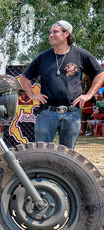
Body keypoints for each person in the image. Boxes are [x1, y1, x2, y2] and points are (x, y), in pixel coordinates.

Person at [20, 20, 104, 149]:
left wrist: (88, 95)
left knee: (68, 155)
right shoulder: (42, 57)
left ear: (66, 33)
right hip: (47, 112)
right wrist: (32, 95)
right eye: (50, 33)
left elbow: (100, 74)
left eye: (55, 32)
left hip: (71, 112)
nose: (51, 35)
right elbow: (24, 78)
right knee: (41, 152)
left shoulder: (80, 55)